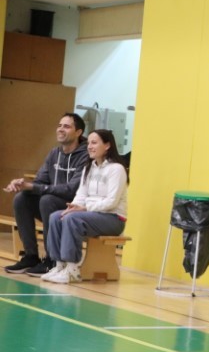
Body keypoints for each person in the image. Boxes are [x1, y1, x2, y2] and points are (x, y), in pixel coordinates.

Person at [3, 113, 89, 276]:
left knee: (47, 200)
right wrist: (23, 184)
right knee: (22, 198)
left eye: (66, 126)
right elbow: (40, 181)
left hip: (74, 208)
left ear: (78, 132)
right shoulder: (54, 153)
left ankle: (52, 259)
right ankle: (31, 256)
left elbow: (71, 189)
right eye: (59, 125)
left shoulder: (85, 156)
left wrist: (34, 187)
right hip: (51, 205)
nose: (61, 129)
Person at [42, 130, 128, 284]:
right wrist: (73, 207)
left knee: (72, 219)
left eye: (94, 143)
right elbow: (81, 194)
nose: (89, 147)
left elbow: (112, 202)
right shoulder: (89, 168)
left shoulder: (117, 169)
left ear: (107, 145)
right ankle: (59, 265)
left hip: (113, 218)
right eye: (88, 143)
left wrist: (85, 208)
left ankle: (72, 269)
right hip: (91, 214)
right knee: (56, 216)